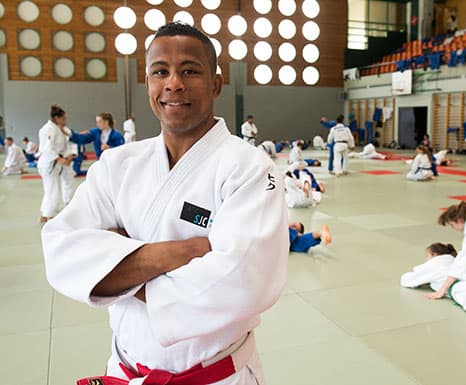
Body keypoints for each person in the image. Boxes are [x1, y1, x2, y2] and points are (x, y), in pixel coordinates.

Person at [42, 22, 288, 385]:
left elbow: (243, 284)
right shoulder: (116, 166)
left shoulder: (248, 169)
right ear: (148, 84)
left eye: (190, 70)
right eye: (161, 71)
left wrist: (116, 263)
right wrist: (177, 253)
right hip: (124, 369)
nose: (174, 83)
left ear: (216, 84)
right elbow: (62, 251)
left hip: (217, 378)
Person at [37, 104, 76, 223]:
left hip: (60, 162)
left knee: (63, 184)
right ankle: (48, 215)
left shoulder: (61, 129)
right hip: (50, 163)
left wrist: (70, 156)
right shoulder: (49, 129)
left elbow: (70, 144)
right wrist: (61, 160)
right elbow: (48, 148)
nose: (65, 120)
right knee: (52, 189)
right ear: (56, 118)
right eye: (63, 118)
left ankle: (49, 212)